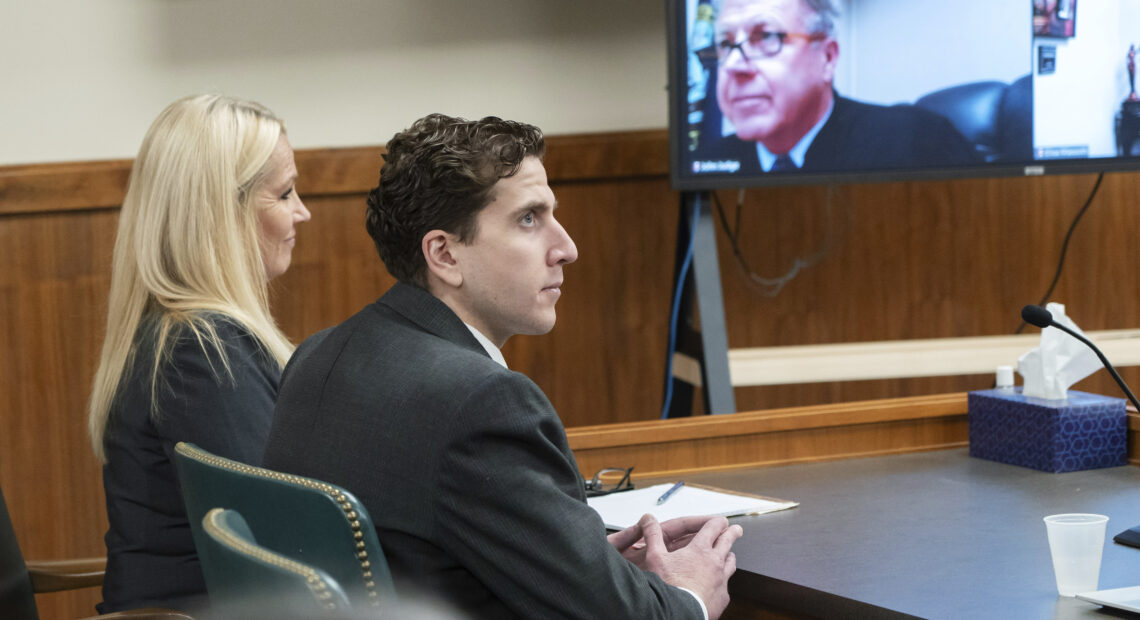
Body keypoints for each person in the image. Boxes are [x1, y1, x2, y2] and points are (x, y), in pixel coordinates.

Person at [262, 114, 742, 619]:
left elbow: (430, 557)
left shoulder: (317, 356)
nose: (567, 248)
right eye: (529, 219)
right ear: (444, 254)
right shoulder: (480, 403)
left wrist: (582, 568)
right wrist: (688, 597)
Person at [87, 94, 311, 613]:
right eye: (285, 193)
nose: (302, 211)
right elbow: (280, 534)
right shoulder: (201, 351)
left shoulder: (181, 334)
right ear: (222, 212)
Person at [694, 0, 979, 174]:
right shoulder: (708, 163)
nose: (733, 65)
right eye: (725, 44)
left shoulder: (917, 140)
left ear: (827, 58)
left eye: (766, 36)